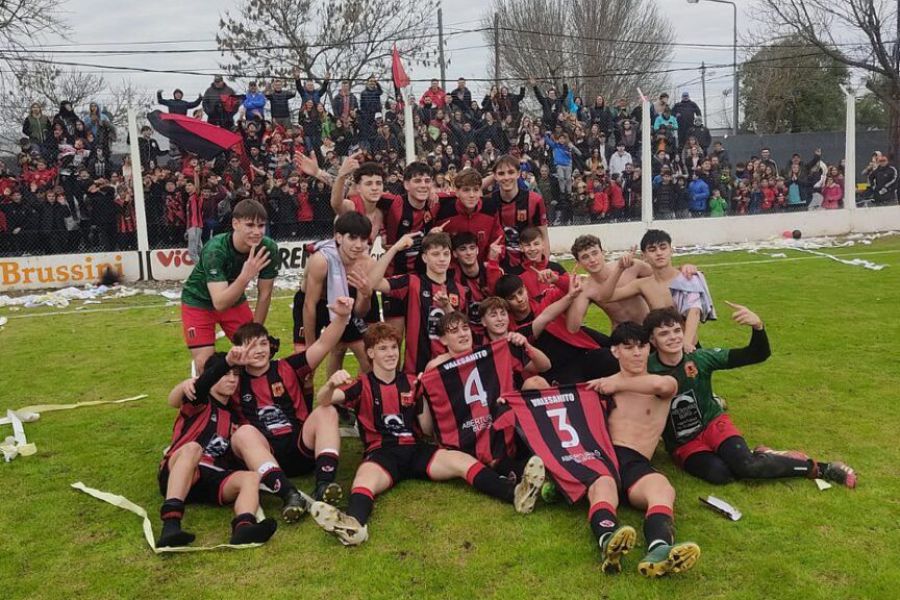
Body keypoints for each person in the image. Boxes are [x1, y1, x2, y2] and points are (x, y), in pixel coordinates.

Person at [308, 322, 545, 546]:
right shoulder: (361, 384)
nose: (391, 354)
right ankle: (355, 527)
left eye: (393, 348)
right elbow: (325, 401)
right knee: (363, 481)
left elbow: (428, 428)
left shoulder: (412, 382)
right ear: (370, 353)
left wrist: (423, 399)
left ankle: (515, 494)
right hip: (382, 453)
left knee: (461, 461)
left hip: (415, 449)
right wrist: (330, 385)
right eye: (382, 349)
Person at [644, 306, 857, 488]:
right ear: (652, 339)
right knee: (722, 475)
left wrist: (757, 326)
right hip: (684, 443)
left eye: (676, 330)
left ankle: (820, 468)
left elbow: (757, 354)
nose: (673, 337)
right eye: (664, 334)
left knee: (747, 466)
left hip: (713, 424)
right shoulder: (645, 370)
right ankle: (766, 454)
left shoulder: (699, 358)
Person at [587, 322, 701, 577]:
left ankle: (659, 550)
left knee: (662, 489)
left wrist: (619, 386)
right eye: (629, 348)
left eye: (642, 347)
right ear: (615, 351)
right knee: (602, 487)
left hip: (636, 462)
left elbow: (663, 389)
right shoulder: (601, 384)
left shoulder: (663, 381)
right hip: (605, 455)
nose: (637, 353)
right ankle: (608, 540)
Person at [228, 297, 354, 521]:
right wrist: (229, 364)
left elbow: (323, 344)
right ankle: (289, 495)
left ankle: (324, 483)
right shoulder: (231, 380)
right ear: (239, 350)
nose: (259, 350)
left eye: (263, 343)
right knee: (243, 434)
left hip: (300, 447)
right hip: (265, 455)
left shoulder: (287, 367)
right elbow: (200, 389)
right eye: (252, 345)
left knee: (327, 411)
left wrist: (342, 317)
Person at [158, 343, 278, 547]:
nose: (232, 379)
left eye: (236, 374)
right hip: (181, 468)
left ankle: (244, 528)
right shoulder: (199, 400)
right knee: (193, 448)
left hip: (210, 477)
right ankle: (171, 525)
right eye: (226, 374)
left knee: (251, 478)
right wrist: (227, 361)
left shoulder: (235, 414)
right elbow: (186, 392)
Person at [179, 199, 278, 372]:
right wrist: (245, 276)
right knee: (205, 364)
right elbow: (219, 302)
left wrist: (255, 333)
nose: (256, 232)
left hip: (234, 300)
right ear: (235, 224)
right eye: (250, 225)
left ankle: (250, 397)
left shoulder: (268, 248)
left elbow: (265, 293)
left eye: (261, 226)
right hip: (198, 302)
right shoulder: (215, 249)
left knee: (253, 353)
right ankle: (207, 398)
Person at [368, 231, 470, 373]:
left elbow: (462, 331)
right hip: (416, 370)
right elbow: (373, 282)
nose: (442, 259)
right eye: (435, 254)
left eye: (446, 254)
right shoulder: (412, 282)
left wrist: (447, 307)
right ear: (424, 257)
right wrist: (395, 248)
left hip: (451, 370)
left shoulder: (459, 290)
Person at [293, 212, 380, 375]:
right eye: (353, 238)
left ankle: (361, 397)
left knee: (368, 360)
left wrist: (367, 294)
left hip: (345, 303)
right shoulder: (321, 260)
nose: (358, 245)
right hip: (316, 303)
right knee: (304, 367)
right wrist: (310, 350)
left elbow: (360, 312)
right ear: (339, 238)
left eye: (363, 239)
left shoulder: (367, 264)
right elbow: (309, 305)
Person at [495, 273, 619, 384]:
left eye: (521, 292)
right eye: (512, 298)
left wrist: (556, 279)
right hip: (556, 371)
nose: (519, 299)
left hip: (581, 351)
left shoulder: (543, 300)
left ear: (526, 289)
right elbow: (545, 317)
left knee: (615, 357)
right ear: (505, 302)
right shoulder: (510, 330)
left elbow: (573, 286)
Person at [486, 155, 549, 269]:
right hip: (500, 266)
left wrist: (544, 267)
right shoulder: (489, 201)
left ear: (518, 173)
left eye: (511, 172)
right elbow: (465, 189)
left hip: (528, 266)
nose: (506, 177)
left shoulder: (534, 200)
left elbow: (544, 236)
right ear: (494, 176)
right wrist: (494, 175)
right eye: (501, 173)